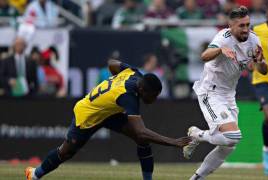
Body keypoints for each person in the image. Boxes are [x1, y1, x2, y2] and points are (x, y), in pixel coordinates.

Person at [25, 59, 191, 180]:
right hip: (87, 114)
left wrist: (112, 87)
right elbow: (141, 131)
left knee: (142, 142)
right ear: (142, 89)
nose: (153, 100)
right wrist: (173, 142)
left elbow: (112, 63)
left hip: (109, 112)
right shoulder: (128, 96)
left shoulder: (134, 73)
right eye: (152, 96)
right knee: (66, 152)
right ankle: (34, 175)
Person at [183, 6, 268, 180]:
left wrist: (259, 62)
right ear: (231, 26)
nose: (246, 29)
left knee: (229, 146)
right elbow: (204, 55)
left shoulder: (253, 40)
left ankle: (196, 178)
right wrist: (220, 50)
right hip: (210, 92)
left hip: (229, 95)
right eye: (241, 26)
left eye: (247, 24)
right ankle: (196, 134)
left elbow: (263, 70)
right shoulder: (223, 37)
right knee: (232, 136)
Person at [252, 3, 268, 175]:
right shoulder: (257, 30)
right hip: (262, 79)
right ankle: (266, 150)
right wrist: (253, 64)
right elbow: (249, 50)